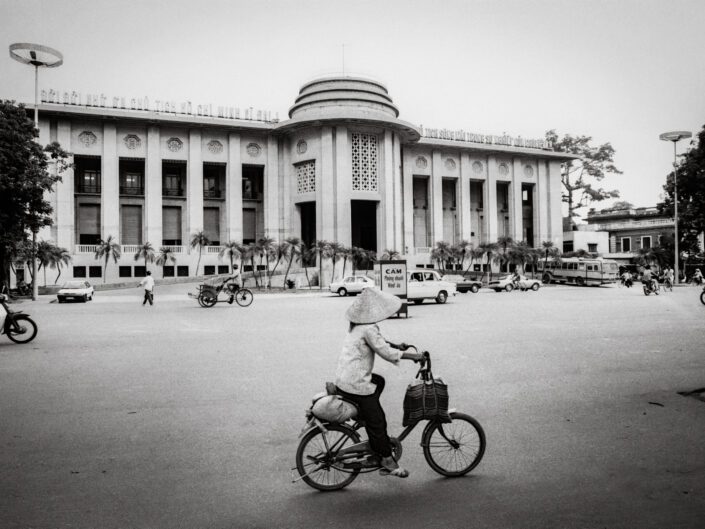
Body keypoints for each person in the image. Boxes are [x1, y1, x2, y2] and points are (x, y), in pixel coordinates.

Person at [335, 287, 423, 478]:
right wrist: (411, 355)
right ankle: (386, 460)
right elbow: (384, 351)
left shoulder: (357, 325)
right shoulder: (368, 327)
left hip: (345, 378)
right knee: (378, 421)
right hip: (355, 383)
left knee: (379, 381)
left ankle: (365, 415)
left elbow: (379, 342)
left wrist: (396, 345)